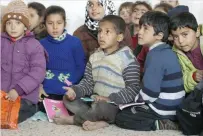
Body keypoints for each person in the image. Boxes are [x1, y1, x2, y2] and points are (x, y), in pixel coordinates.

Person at [53, 15, 141, 131]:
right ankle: (99, 121)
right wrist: (75, 91)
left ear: (119, 37)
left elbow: (133, 89)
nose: (101, 35)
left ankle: (74, 120)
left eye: (107, 32)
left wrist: (109, 99)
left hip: (114, 105)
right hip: (93, 101)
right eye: (100, 31)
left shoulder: (127, 58)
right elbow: (88, 83)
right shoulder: (95, 56)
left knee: (102, 108)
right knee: (67, 98)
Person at [115, 11, 185, 131]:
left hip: (163, 108)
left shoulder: (155, 56)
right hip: (175, 106)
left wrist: (135, 101)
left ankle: (160, 124)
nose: (140, 32)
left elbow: (150, 93)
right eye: (140, 27)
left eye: (145, 29)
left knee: (122, 117)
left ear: (159, 35)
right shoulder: (166, 51)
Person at [1, 0, 46, 123]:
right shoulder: (1, 42)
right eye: (9, 23)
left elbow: (38, 72)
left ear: (25, 25)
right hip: (2, 94)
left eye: (18, 23)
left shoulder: (35, 45)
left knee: (12, 114)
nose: (13, 27)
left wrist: (18, 89)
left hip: (24, 96)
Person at [38, 6, 85, 110]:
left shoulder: (74, 42)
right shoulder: (41, 44)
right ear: (45, 24)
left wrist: (71, 83)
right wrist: (39, 86)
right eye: (50, 23)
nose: (55, 27)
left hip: (68, 86)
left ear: (65, 23)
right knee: (38, 102)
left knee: (73, 104)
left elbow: (80, 67)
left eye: (59, 23)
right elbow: (38, 68)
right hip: (48, 88)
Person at [170, 12, 203, 93]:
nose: (180, 41)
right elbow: (181, 82)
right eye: (176, 36)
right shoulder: (174, 54)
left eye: (185, 34)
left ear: (197, 31)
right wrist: (193, 77)